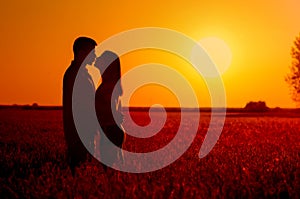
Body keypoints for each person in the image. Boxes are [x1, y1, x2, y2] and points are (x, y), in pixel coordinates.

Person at [63, 37, 97, 175]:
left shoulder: (84, 74)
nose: (95, 56)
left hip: (86, 134)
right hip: (79, 135)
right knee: (78, 172)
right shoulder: (74, 75)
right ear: (82, 53)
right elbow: (78, 108)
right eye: (92, 52)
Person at [95, 51, 125, 171]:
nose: (97, 59)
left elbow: (109, 112)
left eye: (101, 59)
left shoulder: (108, 87)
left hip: (109, 131)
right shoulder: (112, 85)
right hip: (113, 131)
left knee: (108, 170)